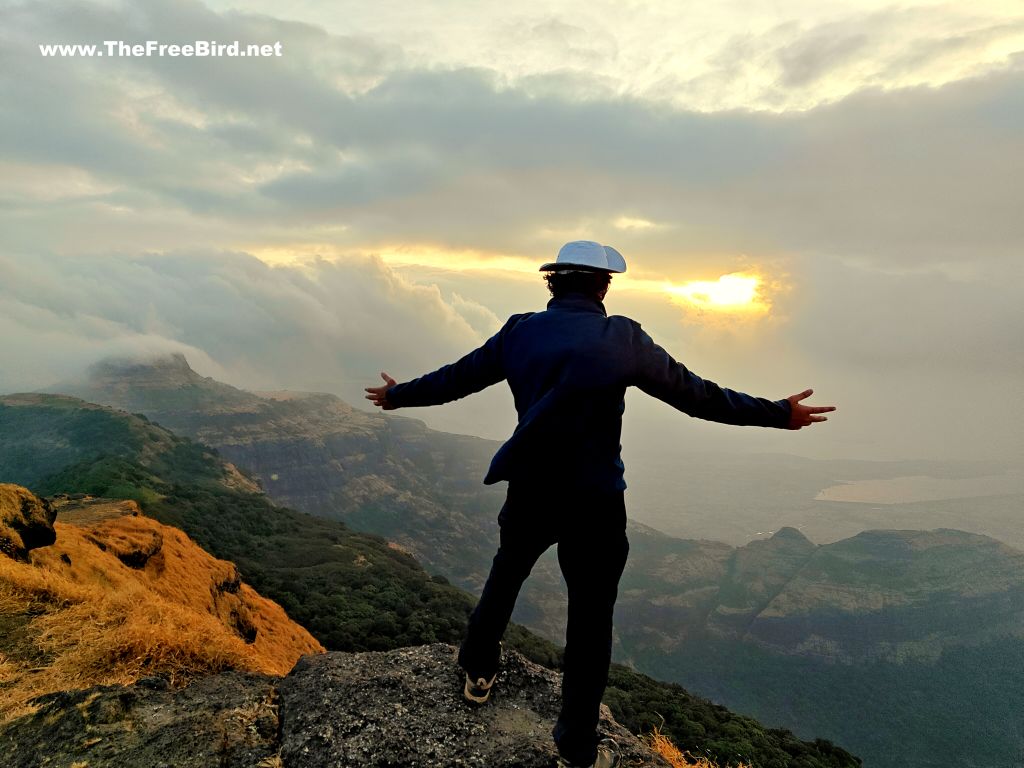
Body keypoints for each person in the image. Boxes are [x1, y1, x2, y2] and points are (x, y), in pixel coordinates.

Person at [365, 240, 835, 768]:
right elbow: (698, 396)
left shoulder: (520, 331)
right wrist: (778, 414)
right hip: (595, 500)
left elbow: (458, 378)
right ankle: (577, 747)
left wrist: (398, 394)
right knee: (590, 620)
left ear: (552, 284)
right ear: (603, 286)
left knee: (505, 577)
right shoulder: (621, 337)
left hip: (531, 488)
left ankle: (477, 668)